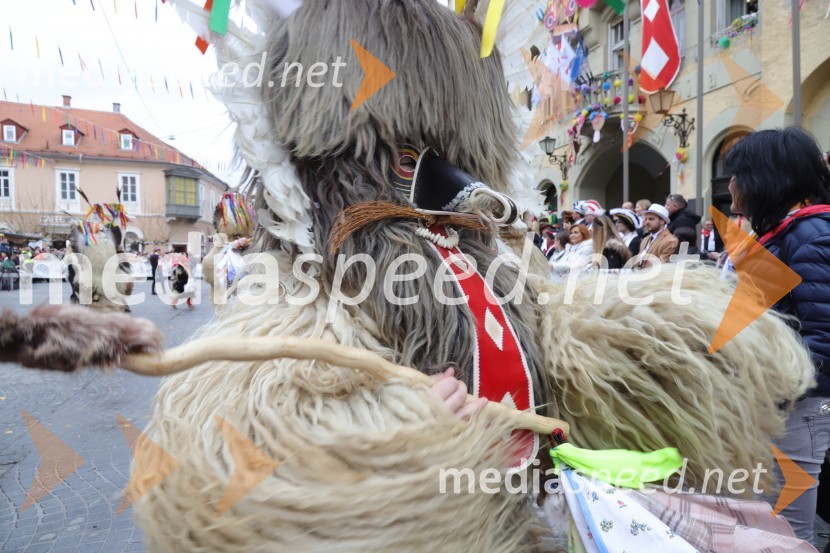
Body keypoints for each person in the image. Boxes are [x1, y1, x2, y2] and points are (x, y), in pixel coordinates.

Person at [726, 127, 830, 545]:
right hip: (774, 403)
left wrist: (774, 390)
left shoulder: (811, 235)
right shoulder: (783, 235)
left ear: (766, 178)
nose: (730, 185)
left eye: (738, 174)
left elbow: (823, 341)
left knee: (785, 533)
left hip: (797, 408)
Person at [636, 204, 679, 268]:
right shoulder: (645, 239)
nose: (647, 222)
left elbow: (661, 266)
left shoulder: (670, 241)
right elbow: (637, 262)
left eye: (651, 219)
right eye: (646, 219)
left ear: (662, 221)